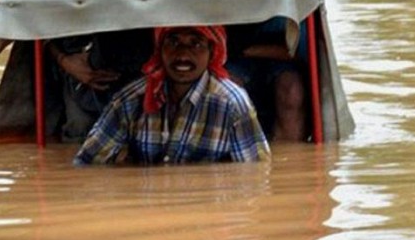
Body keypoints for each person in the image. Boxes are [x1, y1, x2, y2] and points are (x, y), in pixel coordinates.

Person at [74, 26, 270, 165]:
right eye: (173, 42)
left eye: (196, 43)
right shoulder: (130, 101)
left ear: (212, 52)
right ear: (160, 50)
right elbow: (87, 165)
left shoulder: (233, 104)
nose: (183, 55)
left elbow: (256, 178)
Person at [47, 29, 153, 142]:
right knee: (80, 128)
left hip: (134, 67)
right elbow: (40, 29)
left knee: (142, 136)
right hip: (77, 73)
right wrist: (63, 60)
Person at [226, 17, 307, 142]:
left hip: (281, 61)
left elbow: (299, 50)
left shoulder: (292, 7)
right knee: (227, 90)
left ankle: (288, 151)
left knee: (292, 91)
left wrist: (247, 50)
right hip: (234, 57)